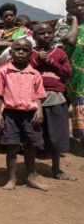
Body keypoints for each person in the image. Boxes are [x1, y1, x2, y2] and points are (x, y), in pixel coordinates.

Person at [0, 38, 48, 191]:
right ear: (11, 52)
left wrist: (39, 110)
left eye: (25, 50)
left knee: (31, 146)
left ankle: (31, 177)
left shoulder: (34, 73)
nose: (21, 52)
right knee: (12, 147)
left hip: (31, 115)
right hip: (10, 114)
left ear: (30, 53)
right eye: (17, 49)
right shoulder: (4, 71)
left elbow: (39, 96)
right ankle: (11, 179)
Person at [29, 23, 74, 181]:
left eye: (49, 32)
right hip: (34, 98)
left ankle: (56, 169)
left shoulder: (59, 53)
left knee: (56, 135)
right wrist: (37, 61)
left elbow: (68, 73)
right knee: (34, 134)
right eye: (42, 33)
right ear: (34, 36)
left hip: (55, 97)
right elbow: (25, 71)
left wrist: (50, 61)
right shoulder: (29, 53)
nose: (47, 35)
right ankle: (31, 170)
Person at [57, 0, 84, 140]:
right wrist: (74, 21)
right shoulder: (64, 22)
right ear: (68, 9)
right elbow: (70, 40)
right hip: (71, 73)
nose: (79, 8)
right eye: (75, 6)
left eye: (82, 4)